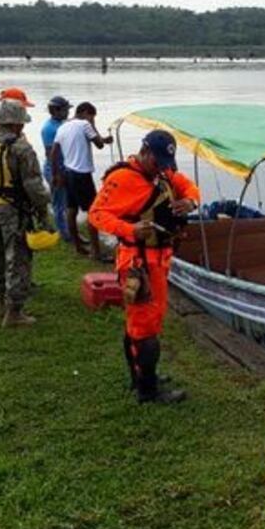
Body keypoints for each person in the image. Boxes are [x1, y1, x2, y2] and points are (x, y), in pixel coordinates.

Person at [88, 130, 199, 404]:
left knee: (147, 321)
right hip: (138, 261)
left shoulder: (161, 174)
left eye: (165, 164)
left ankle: (142, 377)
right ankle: (147, 391)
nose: (161, 168)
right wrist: (128, 228)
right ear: (145, 152)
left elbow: (187, 185)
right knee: (143, 327)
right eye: (157, 162)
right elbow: (96, 214)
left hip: (159, 259)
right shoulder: (121, 179)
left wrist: (190, 201)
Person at [0, 99, 53, 327]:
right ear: (16, 124)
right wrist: (44, 211)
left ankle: (0, 302)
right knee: (18, 258)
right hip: (13, 211)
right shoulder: (20, 148)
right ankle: (14, 311)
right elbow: (34, 187)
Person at [52, 101, 114, 261]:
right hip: (82, 175)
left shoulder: (63, 126)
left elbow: (54, 152)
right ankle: (96, 252)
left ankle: (78, 247)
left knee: (71, 210)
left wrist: (55, 175)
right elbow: (99, 145)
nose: (93, 120)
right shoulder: (85, 124)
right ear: (86, 112)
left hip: (68, 172)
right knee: (93, 212)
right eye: (92, 116)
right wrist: (92, 125)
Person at [40, 95, 72, 241]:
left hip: (62, 168)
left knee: (65, 201)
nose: (68, 112)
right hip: (55, 169)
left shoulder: (60, 124)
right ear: (56, 110)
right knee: (59, 202)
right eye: (65, 109)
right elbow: (49, 154)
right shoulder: (49, 128)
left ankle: (67, 229)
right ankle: (65, 235)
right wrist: (56, 175)